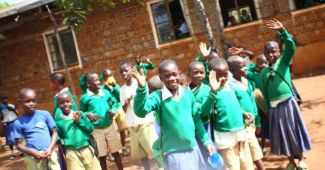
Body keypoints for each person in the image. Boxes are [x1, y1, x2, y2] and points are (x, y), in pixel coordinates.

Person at [132, 59, 215, 170]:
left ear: (179, 73)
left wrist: (206, 141)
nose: (171, 78)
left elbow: (196, 120)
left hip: (192, 148)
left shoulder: (188, 94)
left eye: (174, 74)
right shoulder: (158, 96)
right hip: (173, 152)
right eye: (167, 76)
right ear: (161, 78)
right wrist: (142, 89)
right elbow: (140, 112)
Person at [261, 19, 311, 169]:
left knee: (294, 132)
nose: (270, 54)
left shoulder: (283, 62)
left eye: (273, 51)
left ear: (279, 52)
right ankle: (290, 161)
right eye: (267, 52)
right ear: (264, 53)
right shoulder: (263, 72)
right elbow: (264, 92)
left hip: (289, 104)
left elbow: (291, 46)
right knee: (282, 135)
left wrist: (283, 31)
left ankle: (301, 159)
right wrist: (268, 109)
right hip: (275, 108)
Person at [206, 57, 254, 170]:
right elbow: (204, 112)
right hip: (225, 139)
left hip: (240, 133)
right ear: (211, 76)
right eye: (219, 75)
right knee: (232, 166)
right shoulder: (209, 92)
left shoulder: (229, 87)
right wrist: (213, 92)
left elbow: (232, 105)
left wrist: (243, 113)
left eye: (225, 74)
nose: (223, 78)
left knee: (247, 166)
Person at [227, 56, 265, 170]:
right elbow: (233, 105)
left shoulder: (246, 81)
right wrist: (243, 114)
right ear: (232, 70)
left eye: (244, 65)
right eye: (241, 67)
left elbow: (253, 101)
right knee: (254, 151)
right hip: (243, 124)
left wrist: (257, 121)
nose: (245, 69)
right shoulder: (230, 85)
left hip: (252, 122)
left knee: (252, 150)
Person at [80, 73, 123, 170]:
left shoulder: (105, 93)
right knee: (102, 156)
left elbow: (115, 102)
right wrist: (87, 114)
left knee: (116, 152)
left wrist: (113, 110)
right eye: (95, 80)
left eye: (98, 79)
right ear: (88, 84)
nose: (99, 82)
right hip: (96, 130)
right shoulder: (85, 98)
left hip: (110, 127)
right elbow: (81, 113)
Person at [119, 61, 157, 170]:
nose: (123, 74)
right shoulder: (122, 89)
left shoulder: (139, 82)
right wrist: (126, 103)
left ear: (132, 70)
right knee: (141, 153)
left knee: (153, 148)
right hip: (132, 123)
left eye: (126, 71)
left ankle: (163, 166)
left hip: (145, 121)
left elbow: (146, 98)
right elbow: (123, 109)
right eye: (121, 72)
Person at [13, 88, 60, 170]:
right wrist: (31, 152)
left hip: (50, 153)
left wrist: (50, 148)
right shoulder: (18, 123)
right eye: (27, 101)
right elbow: (17, 144)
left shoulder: (45, 114)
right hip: (33, 158)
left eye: (34, 101)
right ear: (20, 102)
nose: (31, 104)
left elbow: (54, 132)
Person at [55, 92, 101, 170]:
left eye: (67, 101)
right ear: (58, 105)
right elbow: (57, 136)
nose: (65, 104)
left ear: (72, 102)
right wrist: (58, 139)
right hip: (71, 152)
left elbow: (90, 128)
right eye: (62, 103)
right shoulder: (58, 122)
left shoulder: (80, 115)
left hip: (86, 148)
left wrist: (79, 121)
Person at [102, 69, 129, 157]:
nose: (108, 78)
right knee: (112, 131)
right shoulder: (102, 89)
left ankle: (124, 147)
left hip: (118, 108)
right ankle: (112, 151)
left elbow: (120, 97)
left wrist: (113, 88)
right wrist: (106, 89)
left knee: (122, 130)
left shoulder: (116, 86)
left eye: (110, 75)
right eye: (106, 76)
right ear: (104, 78)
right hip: (110, 111)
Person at [246, 54, 270, 154]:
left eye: (265, 62)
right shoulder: (255, 76)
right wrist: (253, 66)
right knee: (264, 124)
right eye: (261, 63)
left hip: (273, 103)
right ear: (257, 65)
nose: (263, 65)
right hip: (263, 105)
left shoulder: (271, 72)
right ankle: (263, 146)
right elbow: (244, 70)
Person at [0, 95, 18, 160]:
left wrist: (12, 110)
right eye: (3, 99)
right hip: (7, 124)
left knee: (17, 137)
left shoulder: (11, 105)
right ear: (1, 100)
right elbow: (1, 117)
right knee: (10, 139)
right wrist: (1, 116)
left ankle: (21, 151)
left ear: (7, 99)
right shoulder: (1, 107)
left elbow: (16, 114)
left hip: (14, 122)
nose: (4, 100)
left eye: (5, 98)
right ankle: (12, 153)